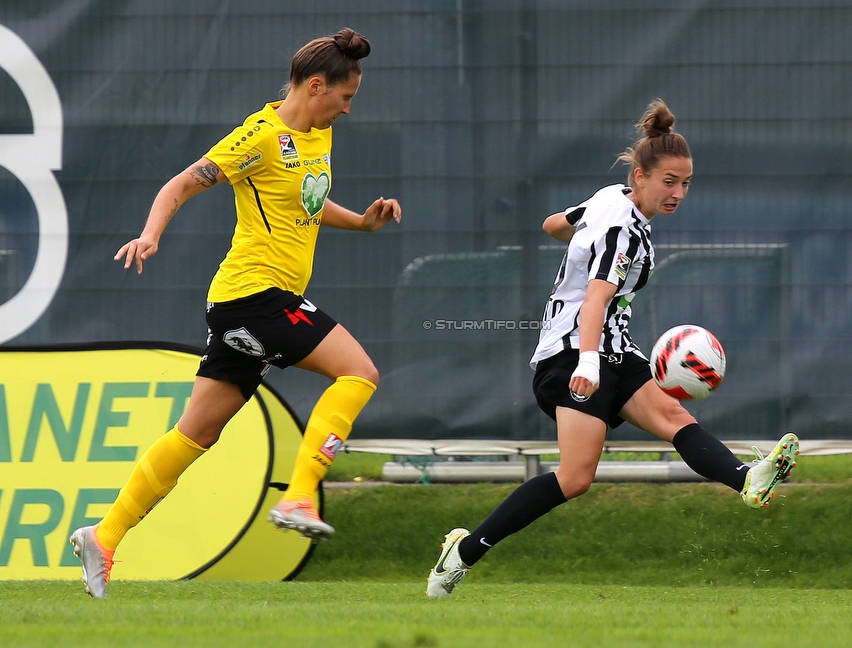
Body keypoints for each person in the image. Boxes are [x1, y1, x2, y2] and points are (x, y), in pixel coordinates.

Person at [69, 28, 401, 599]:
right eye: (345, 97)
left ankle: (104, 535)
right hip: (255, 297)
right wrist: (149, 236)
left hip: (243, 306)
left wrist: (363, 224)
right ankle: (299, 495)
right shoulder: (260, 136)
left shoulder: (317, 136)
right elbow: (180, 183)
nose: (349, 109)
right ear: (316, 86)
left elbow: (309, 206)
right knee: (360, 372)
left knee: (196, 433)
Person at [426, 99, 799, 598]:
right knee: (576, 478)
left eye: (686, 183)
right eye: (669, 182)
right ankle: (463, 554)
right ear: (641, 176)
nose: (678, 193)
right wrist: (586, 362)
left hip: (615, 350)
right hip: (572, 354)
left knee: (675, 419)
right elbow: (594, 301)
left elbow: (553, 224)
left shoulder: (610, 198)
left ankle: (746, 477)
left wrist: (576, 241)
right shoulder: (623, 230)